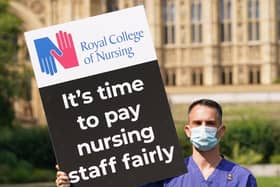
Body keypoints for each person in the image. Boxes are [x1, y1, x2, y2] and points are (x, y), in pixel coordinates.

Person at [56, 99, 257, 187]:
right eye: (197, 123)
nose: (203, 128)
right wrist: (76, 180)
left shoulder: (242, 178)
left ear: (221, 130)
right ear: (187, 130)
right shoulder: (166, 173)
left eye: (210, 123)